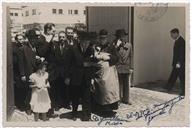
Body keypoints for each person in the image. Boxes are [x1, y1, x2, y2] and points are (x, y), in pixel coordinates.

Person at [91, 29, 120, 117]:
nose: (102, 39)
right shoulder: (95, 47)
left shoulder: (111, 47)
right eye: (101, 38)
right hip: (98, 73)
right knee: (98, 91)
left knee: (108, 91)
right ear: (99, 38)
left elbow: (116, 58)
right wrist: (97, 56)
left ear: (107, 38)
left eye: (104, 38)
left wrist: (108, 58)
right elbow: (92, 58)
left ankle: (108, 110)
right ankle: (98, 108)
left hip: (109, 74)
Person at [69, 31, 93, 121]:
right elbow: (68, 63)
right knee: (75, 97)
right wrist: (68, 77)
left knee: (86, 97)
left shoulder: (91, 49)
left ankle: (86, 115)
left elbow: (92, 63)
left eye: (87, 42)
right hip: (76, 77)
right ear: (80, 41)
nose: (86, 44)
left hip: (86, 77)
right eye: (84, 41)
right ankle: (74, 113)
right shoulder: (73, 49)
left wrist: (92, 78)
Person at [48, 31, 72, 110]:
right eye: (60, 37)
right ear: (58, 38)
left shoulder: (69, 47)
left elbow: (70, 61)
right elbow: (52, 58)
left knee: (66, 88)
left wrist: (68, 74)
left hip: (65, 71)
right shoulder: (55, 46)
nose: (61, 39)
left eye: (63, 37)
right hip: (57, 71)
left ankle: (66, 104)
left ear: (65, 38)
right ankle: (57, 105)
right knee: (57, 88)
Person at [20, 29, 41, 115]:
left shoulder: (35, 47)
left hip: (35, 72)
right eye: (31, 38)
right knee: (28, 91)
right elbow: (21, 63)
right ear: (28, 39)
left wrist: (39, 59)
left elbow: (34, 60)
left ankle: (34, 106)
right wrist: (22, 74)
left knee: (35, 90)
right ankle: (27, 107)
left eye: (35, 38)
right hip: (27, 72)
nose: (33, 40)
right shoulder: (23, 48)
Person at [113, 29, 132, 105]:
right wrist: (116, 46)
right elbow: (113, 54)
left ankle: (126, 99)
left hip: (126, 67)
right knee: (118, 84)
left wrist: (131, 67)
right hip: (118, 67)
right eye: (120, 37)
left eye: (123, 37)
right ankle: (118, 99)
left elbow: (131, 56)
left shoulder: (129, 45)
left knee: (126, 84)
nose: (122, 38)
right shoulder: (115, 45)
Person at [164, 28, 185, 96]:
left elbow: (181, 54)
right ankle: (168, 87)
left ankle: (184, 91)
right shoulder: (177, 40)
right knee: (173, 75)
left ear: (176, 33)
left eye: (172, 34)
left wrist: (179, 63)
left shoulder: (181, 41)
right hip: (176, 63)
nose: (171, 36)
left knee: (182, 77)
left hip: (179, 63)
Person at [12, 34, 25, 110]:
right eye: (19, 39)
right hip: (17, 72)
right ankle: (19, 105)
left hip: (23, 71)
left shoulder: (24, 47)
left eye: (22, 39)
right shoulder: (15, 49)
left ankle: (22, 104)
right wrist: (22, 74)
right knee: (19, 88)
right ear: (16, 40)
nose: (21, 41)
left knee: (23, 89)